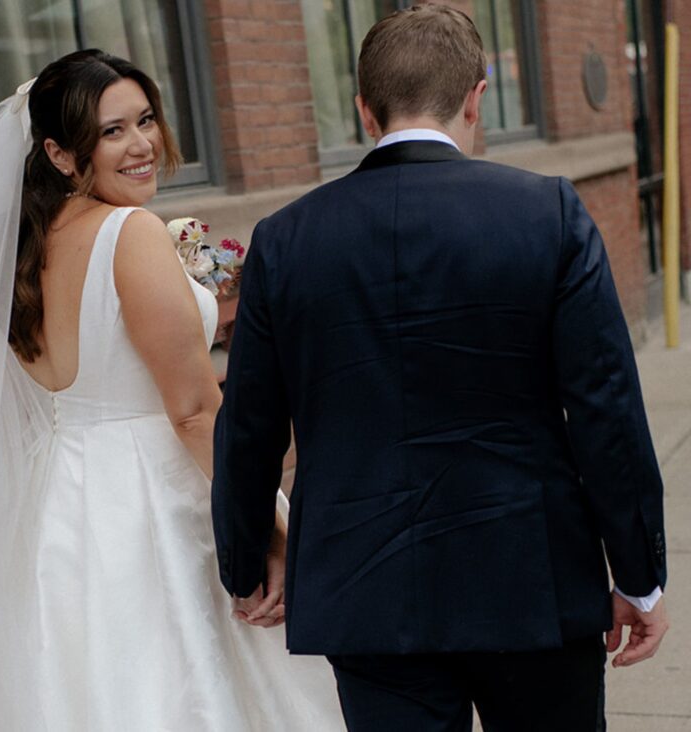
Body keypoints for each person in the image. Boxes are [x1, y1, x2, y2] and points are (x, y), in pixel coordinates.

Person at [211, 5, 669, 731]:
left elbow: (248, 425)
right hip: (531, 579)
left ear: (364, 111)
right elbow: (606, 409)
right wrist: (640, 578)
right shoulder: (547, 214)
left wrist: (244, 561)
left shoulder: (285, 240)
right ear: (476, 98)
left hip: (366, 589)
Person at [0, 49, 344, 730]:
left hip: (58, 507)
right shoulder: (130, 234)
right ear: (59, 153)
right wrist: (270, 531)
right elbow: (193, 412)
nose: (142, 145)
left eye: (146, 120)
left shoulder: (20, 253)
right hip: (155, 497)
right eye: (112, 131)